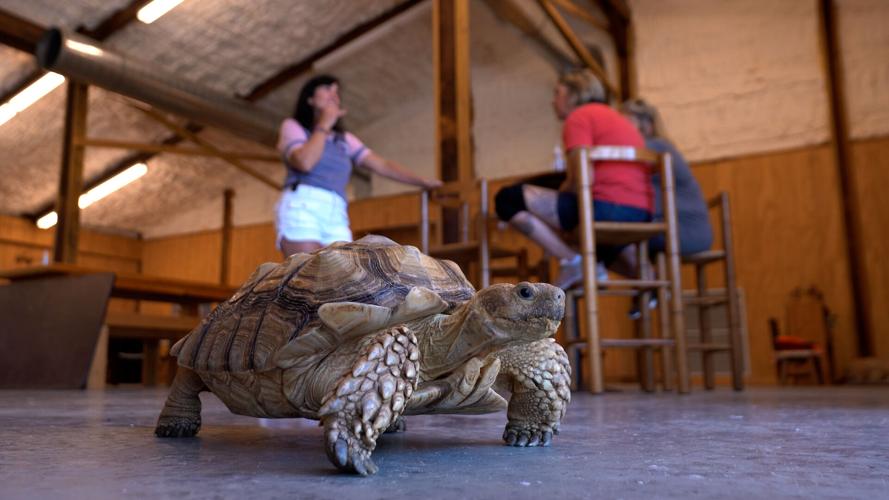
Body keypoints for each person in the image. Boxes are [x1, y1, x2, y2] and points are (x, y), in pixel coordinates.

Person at [494, 68, 653, 289]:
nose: (553, 101)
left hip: (605, 208)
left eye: (557, 93)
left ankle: (572, 261)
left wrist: (562, 194)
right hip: (641, 213)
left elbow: (582, 177)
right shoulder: (618, 118)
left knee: (508, 198)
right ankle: (638, 277)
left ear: (573, 95)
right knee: (577, 230)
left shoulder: (579, 117)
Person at [276, 74, 441, 258]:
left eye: (337, 92)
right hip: (303, 205)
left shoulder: (345, 139)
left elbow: (382, 165)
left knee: (344, 278)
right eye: (327, 88)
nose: (334, 94)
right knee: (306, 273)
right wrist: (324, 124)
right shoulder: (293, 126)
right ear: (310, 99)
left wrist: (422, 181)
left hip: (337, 210)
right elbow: (305, 162)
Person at [619, 98, 712, 260]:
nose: (619, 129)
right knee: (616, 237)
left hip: (685, 231)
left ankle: (649, 282)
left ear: (646, 126)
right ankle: (651, 282)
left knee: (615, 238)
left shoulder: (655, 147)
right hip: (682, 229)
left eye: (626, 123)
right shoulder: (659, 148)